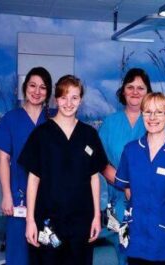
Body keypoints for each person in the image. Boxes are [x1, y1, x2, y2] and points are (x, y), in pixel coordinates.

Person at [18, 75, 107, 265]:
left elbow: (94, 178)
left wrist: (96, 217)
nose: (68, 103)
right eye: (64, 97)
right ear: (56, 99)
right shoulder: (41, 135)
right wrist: (30, 220)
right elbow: (33, 180)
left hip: (81, 221)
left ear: (80, 100)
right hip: (47, 221)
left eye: (74, 97)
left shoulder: (88, 135)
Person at [98, 68, 165, 265]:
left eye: (140, 88)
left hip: (160, 205)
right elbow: (100, 161)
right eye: (130, 87)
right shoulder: (111, 123)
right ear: (123, 91)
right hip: (121, 200)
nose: (135, 92)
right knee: (126, 254)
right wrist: (126, 186)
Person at [0, 66, 53, 265]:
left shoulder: (53, 121)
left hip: (49, 198)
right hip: (19, 198)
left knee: (47, 251)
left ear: (48, 92)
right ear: (24, 88)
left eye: (42, 87)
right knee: (19, 254)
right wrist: (7, 196)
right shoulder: (11, 119)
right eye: (32, 85)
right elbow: (4, 161)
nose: (37, 91)